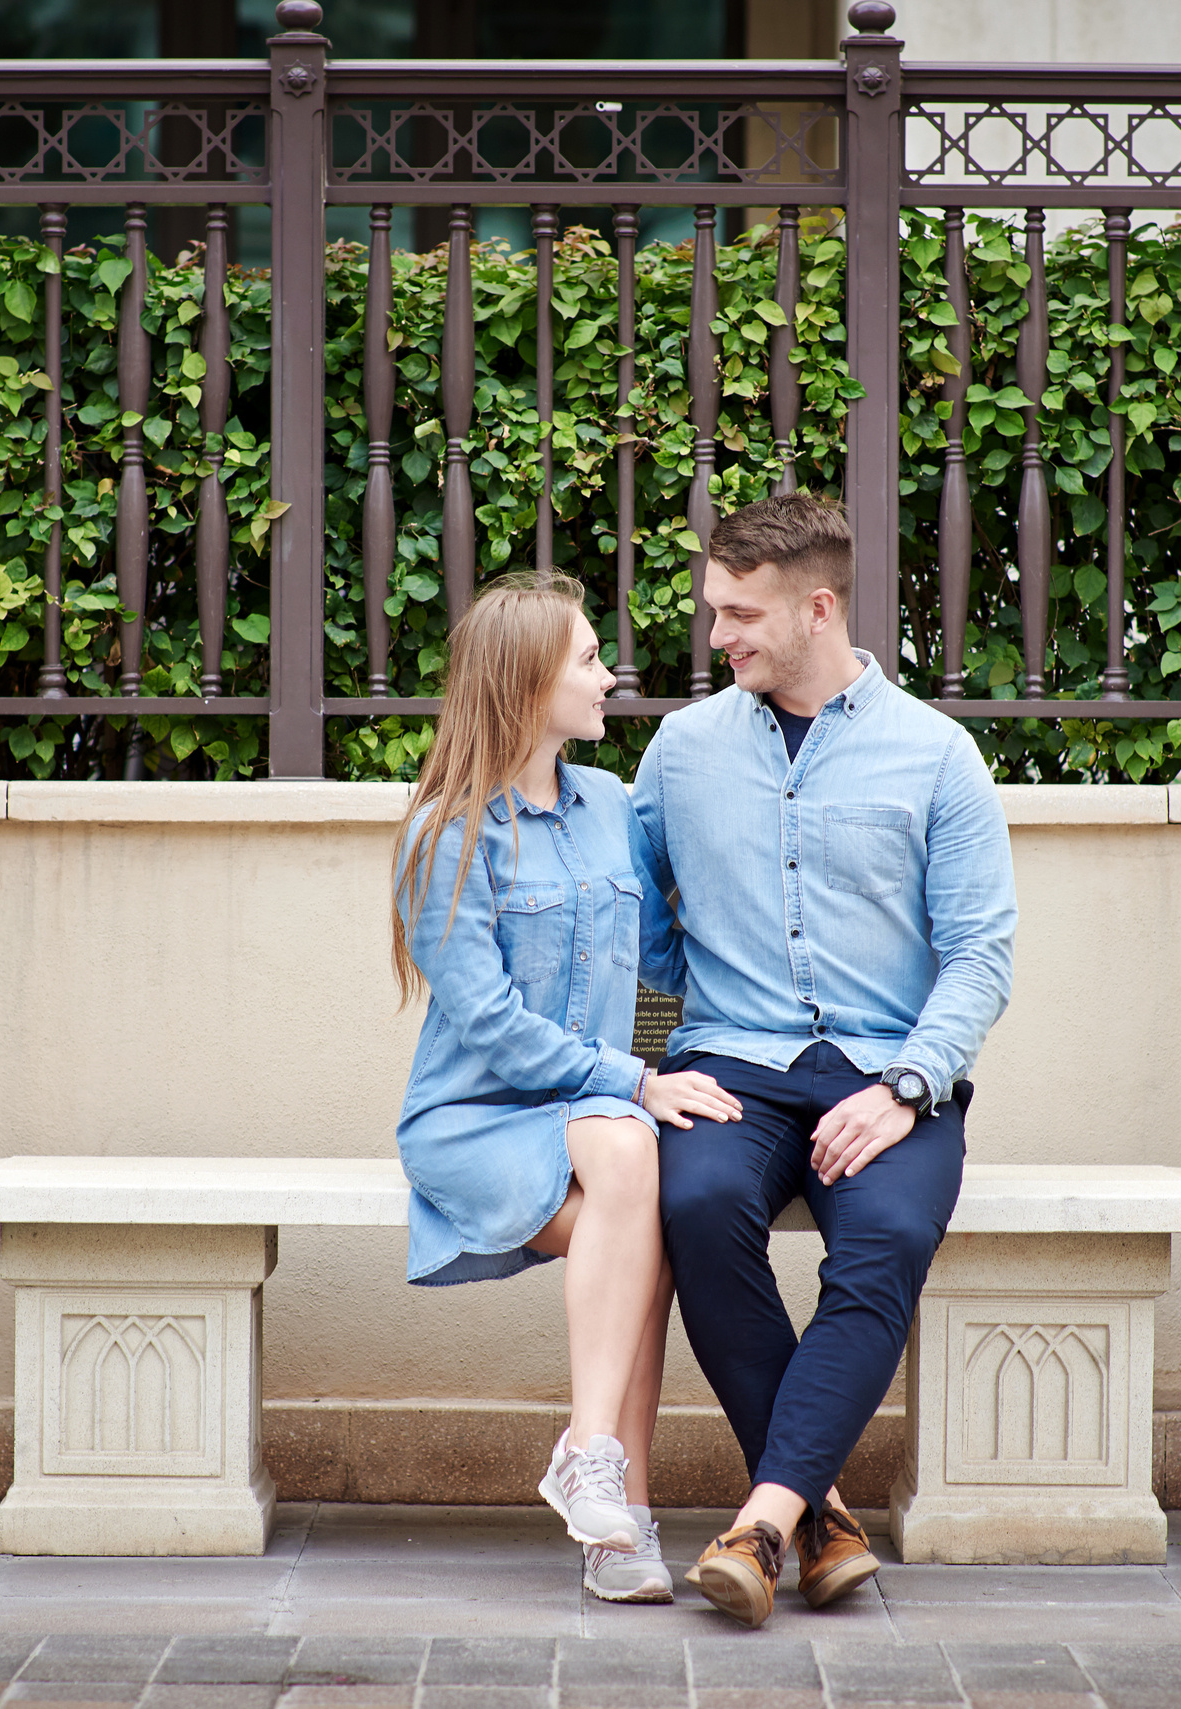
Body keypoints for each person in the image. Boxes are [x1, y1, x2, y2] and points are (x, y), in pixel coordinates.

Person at [633, 492, 1018, 1628]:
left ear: (817, 607)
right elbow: (640, 922)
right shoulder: (683, 748)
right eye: (713, 612)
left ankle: (763, 1522)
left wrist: (907, 1087)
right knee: (697, 1206)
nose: (718, 638)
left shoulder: (935, 755)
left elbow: (981, 950)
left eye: (739, 615)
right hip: (732, 1062)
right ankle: (821, 1514)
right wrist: (647, 1069)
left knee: (887, 1239)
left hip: (888, 1074)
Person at [391, 570, 745, 1606]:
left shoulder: (610, 805)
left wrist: (710, 1043)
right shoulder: (444, 834)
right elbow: (489, 1025)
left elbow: (666, 957)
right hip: (480, 1116)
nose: (609, 675)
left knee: (631, 1161)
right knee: (639, 1195)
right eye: (588, 659)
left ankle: (597, 1474)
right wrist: (635, 1078)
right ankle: (615, 1509)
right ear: (525, 682)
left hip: (591, 1114)